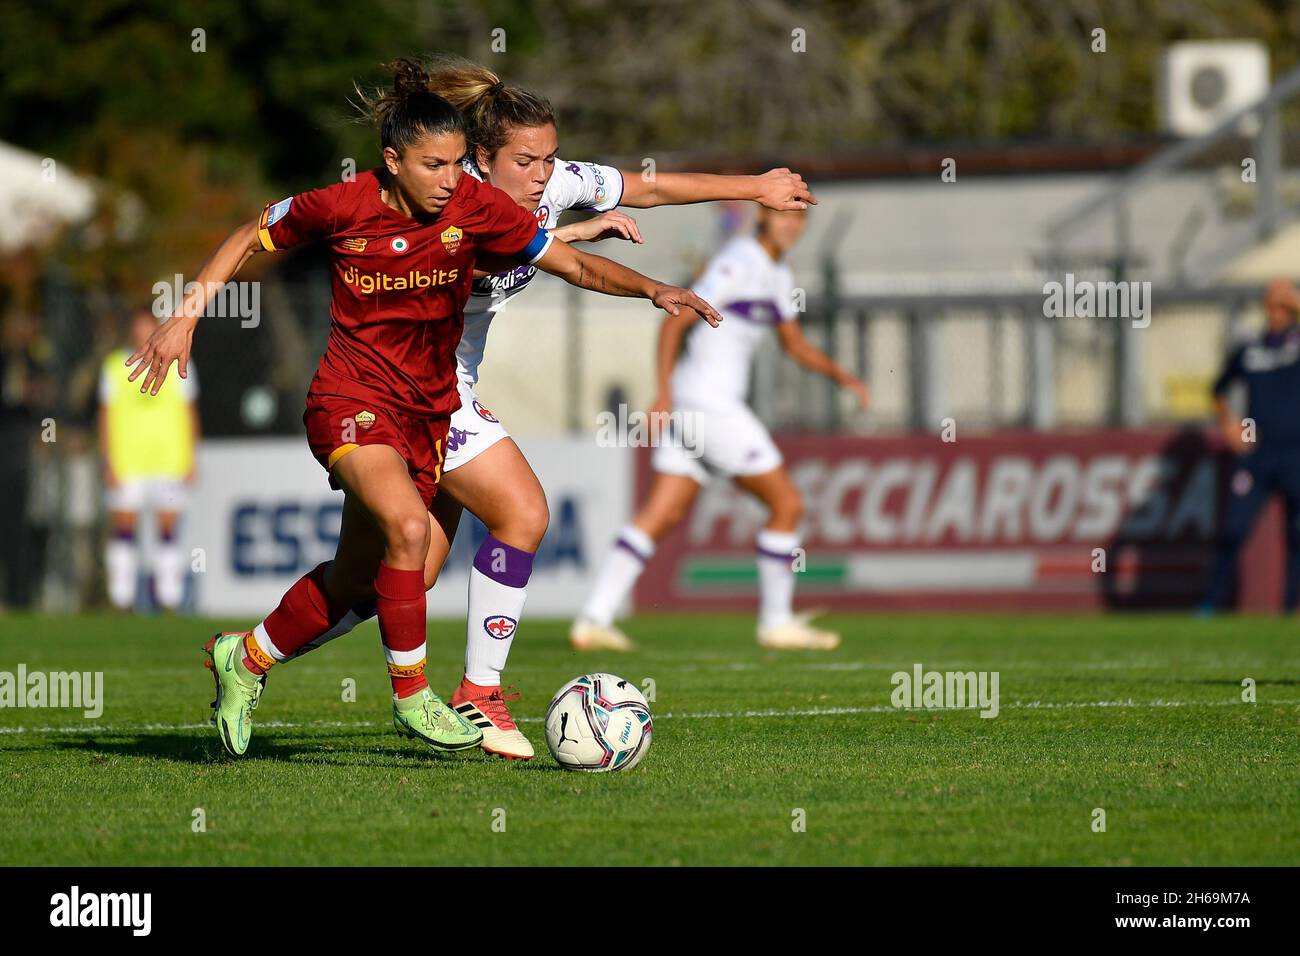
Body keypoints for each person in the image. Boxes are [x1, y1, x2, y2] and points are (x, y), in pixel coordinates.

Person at [126, 59, 722, 759]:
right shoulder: (342, 205)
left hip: (429, 415)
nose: (449, 181)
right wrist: (186, 315)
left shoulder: (476, 208)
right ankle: (424, 694)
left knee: (367, 580)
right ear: (392, 161)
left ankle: (247, 658)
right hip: (350, 401)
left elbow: (574, 266)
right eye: (433, 166)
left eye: (452, 165)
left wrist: (656, 291)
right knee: (423, 529)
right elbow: (248, 235)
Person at [279, 56, 817, 760]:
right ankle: (478, 692)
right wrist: (576, 240)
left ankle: (249, 656)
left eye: (550, 157)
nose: (543, 174)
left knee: (387, 580)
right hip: (401, 390)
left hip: (445, 391)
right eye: (526, 160)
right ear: (480, 159)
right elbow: (484, 259)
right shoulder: (449, 196)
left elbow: (648, 187)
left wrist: (759, 186)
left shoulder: (554, 184)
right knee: (523, 514)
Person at [573, 206, 870, 651]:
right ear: (763, 217)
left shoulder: (777, 272)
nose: (792, 225)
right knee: (786, 503)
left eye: (799, 218)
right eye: (783, 215)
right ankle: (776, 622)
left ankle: (593, 620)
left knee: (662, 514)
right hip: (708, 405)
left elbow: (793, 344)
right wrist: (664, 393)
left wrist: (841, 376)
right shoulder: (739, 259)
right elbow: (675, 319)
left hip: (699, 405)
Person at [1201, 278, 1300, 613]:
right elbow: (1218, 389)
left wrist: (1296, 301)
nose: (1275, 313)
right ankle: (1211, 604)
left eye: (1282, 307)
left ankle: (1290, 609)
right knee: (1233, 530)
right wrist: (1228, 424)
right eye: (1271, 306)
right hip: (1256, 454)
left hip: (1295, 453)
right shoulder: (1251, 347)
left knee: (1296, 534)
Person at [99, 309, 200, 612]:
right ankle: (121, 598)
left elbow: (189, 412)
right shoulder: (115, 366)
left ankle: (168, 599)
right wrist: (108, 461)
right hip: (127, 461)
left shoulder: (180, 362)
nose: (143, 332)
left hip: (169, 460)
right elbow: (105, 416)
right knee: (124, 527)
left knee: (168, 529)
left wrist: (192, 457)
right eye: (138, 327)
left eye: (148, 327)